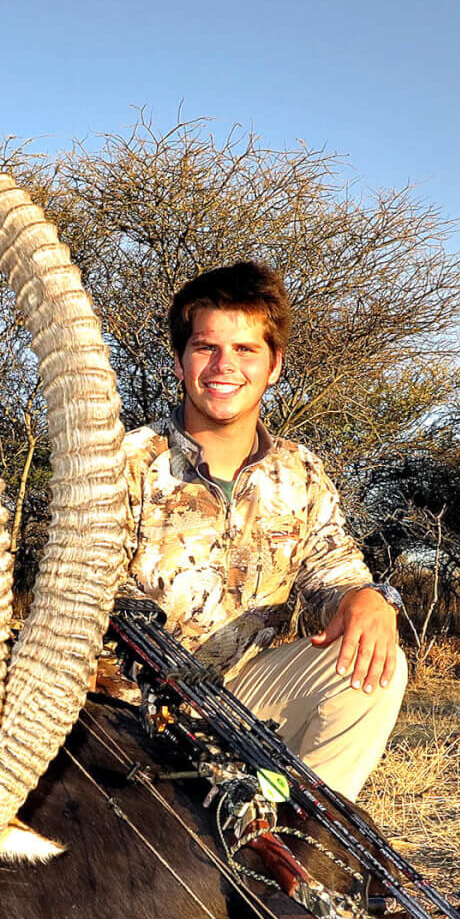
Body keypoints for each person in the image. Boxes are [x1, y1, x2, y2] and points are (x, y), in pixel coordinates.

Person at [113, 261, 407, 802]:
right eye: (206, 348)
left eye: (246, 350)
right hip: (124, 710)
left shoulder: (300, 473)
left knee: (374, 668)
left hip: (241, 699)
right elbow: (88, 589)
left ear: (273, 366)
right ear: (180, 362)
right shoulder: (121, 462)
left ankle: (302, 837)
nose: (224, 366)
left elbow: (332, 573)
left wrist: (367, 600)